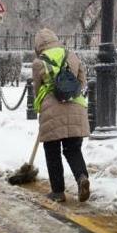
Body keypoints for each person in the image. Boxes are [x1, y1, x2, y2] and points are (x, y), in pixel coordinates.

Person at [32, 28, 90, 203]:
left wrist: (42, 105)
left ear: (38, 46)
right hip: (76, 106)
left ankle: (58, 192)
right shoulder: (71, 55)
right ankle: (81, 178)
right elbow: (82, 81)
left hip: (51, 110)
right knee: (73, 149)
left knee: (52, 151)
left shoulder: (38, 63)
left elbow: (37, 90)